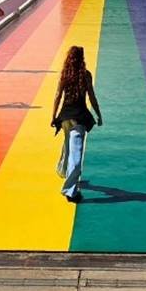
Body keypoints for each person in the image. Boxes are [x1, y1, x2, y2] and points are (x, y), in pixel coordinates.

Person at [50, 46, 102, 203]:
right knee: (77, 156)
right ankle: (70, 191)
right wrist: (99, 114)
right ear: (82, 59)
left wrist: (53, 116)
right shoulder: (86, 76)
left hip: (65, 118)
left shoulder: (65, 75)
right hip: (79, 119)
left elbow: (58, 96)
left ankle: (62, 169)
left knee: (68, 146)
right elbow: (91, 97)